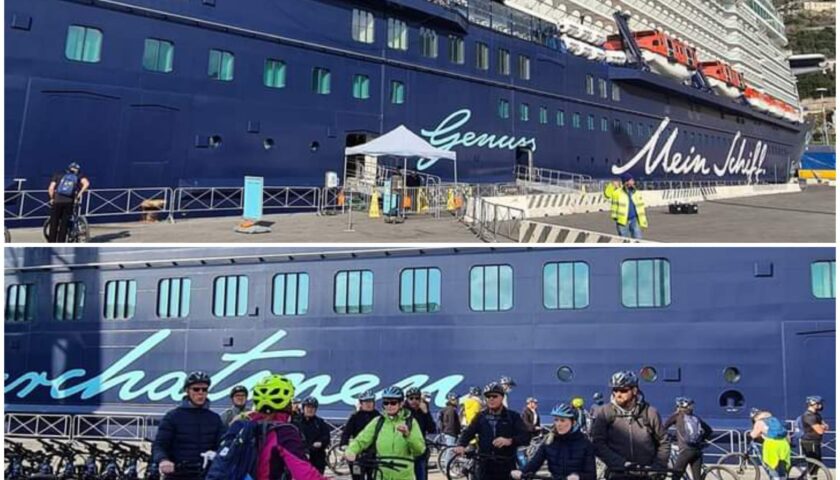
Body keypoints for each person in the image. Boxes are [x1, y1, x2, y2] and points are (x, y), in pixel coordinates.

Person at [207, 373, 326, 480]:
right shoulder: (284, 431)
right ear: (283, 402)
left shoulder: (239, 423)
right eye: (290, 400)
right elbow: (304, 473)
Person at [589, 371, 670, 479]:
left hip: (647, 474)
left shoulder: (650, 413)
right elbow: (598, 443)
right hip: (618, 473)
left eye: (623, 390)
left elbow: (663, 442)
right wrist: (620, 463)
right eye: (615, 390)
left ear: (635, 390)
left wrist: (657, 467)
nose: (618, 394)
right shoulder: (604, 412)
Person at [152, 371, 226, 479]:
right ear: (187, 391)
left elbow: (223, 444)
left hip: (207, 475)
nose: (200, 393)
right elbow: (159, 445)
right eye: (196, 389)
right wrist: (163, 460)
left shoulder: (215, 419)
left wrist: (217, 454)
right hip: (178, 474)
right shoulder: (172, 417)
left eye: (204, 389)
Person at [344, 386, 426, 480]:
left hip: (404, 475)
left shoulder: (411, 422)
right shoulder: (378, 421)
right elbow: (361, 439)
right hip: (381, 475)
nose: (389, 406)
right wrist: (351, 450)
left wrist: (408, 435)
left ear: (401, 403)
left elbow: (419, 450)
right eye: (386, 403)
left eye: (393, 403)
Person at [454, 382, 530, 480]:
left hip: (505, 466)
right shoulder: (480, 416)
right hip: (484, 466)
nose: (491, 399)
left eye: (494, 396)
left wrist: (510, 441)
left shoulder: (513, 416)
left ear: (502, 397)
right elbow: (468, 432)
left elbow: (525, 437)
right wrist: (461, 445)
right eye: (488, 396)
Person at [511, 403, 596, 480]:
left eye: (563, 420)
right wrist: (522, 472)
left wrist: (578, 477)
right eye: (556, 420)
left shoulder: (585, 444)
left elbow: (592, 475)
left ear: (573, 423)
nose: (558, 424)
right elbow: (535, 463)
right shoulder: (549, 441)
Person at [663, 397, 713, 480]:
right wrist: (701, 440)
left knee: (675, 476)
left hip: (686, 451)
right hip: (697, 451)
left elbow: (663, 427)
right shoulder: (696, 418)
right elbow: (709, 431)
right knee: (697, 478)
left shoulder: (677, 416)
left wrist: (666, 437)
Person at [340, 389, 381, 480]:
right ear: (361, 403)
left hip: (374, 455)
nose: (368, 404)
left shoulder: (379, 417)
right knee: (357, 478)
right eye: (365, 401)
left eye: (370, 401)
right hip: (358, 455)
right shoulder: (355, 417)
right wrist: (344, 445)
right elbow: (346, 433)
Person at [47, 162, 90, 243]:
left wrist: (52, 198)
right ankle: (61, 242)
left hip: (57, 201)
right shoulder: (77, 176)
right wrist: (79, 194)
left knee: (54, 222)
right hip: (69, 202)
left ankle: (51, 242)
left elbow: (51, 188)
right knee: (64, 223)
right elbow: (86, 184)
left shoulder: (58, 174)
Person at [404, 387, 437, 480]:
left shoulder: (423, 411)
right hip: (405, 451)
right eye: (411, 398)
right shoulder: (402, 411)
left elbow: (432, 429)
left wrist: (426, 412)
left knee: (422, 476)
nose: (414, 401)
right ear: (407, 399)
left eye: (417, 398)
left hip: (420, 451)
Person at [749, 409, 791, 480]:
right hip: (784, 444)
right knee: (782, 469)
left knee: (773, 468)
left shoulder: (759, 422)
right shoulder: (774, 420)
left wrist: (749, 435)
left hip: (771, 445)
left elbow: (754, 435)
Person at [604, 172, 647, 240]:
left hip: (634, 219)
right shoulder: (617, 192)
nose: (633, 181)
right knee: (624, 240)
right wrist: (612, 185)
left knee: (638, 239)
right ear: (626, 182)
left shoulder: (636, 192)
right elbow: (607, 194)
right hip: (622, 221)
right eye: (631, 180)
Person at [298, 397, 332, 474]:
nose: (310, 409)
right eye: (308, 407)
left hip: (317, 460)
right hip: (301, 458)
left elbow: (327, 437)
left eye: (313, 407)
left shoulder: (320, 422)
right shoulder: (296, 422)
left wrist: (321, 442)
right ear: (303, 408)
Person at [800, 396, 829, 478]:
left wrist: (822, 426)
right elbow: (820, 430)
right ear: (812, 403)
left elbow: (825, 426)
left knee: (817, 463)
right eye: (819, 403)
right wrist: (822, 427)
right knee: (814, 463)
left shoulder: (817, 415)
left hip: (816, 441)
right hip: (809, 442)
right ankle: (806, 477)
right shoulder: (809, 416)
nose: (821, 405)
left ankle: (812, 477)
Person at [439, 392, 462, 471]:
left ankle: (446, 466)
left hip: (448, 432)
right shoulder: (451, 410)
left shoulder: (448, 408)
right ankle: (447, 467)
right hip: (451, 433)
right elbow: (451, 423)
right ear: (451, 399)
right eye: (456, 399)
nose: (457, 400)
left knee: (448, 450)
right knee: (450, 450)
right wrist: (456, 432)